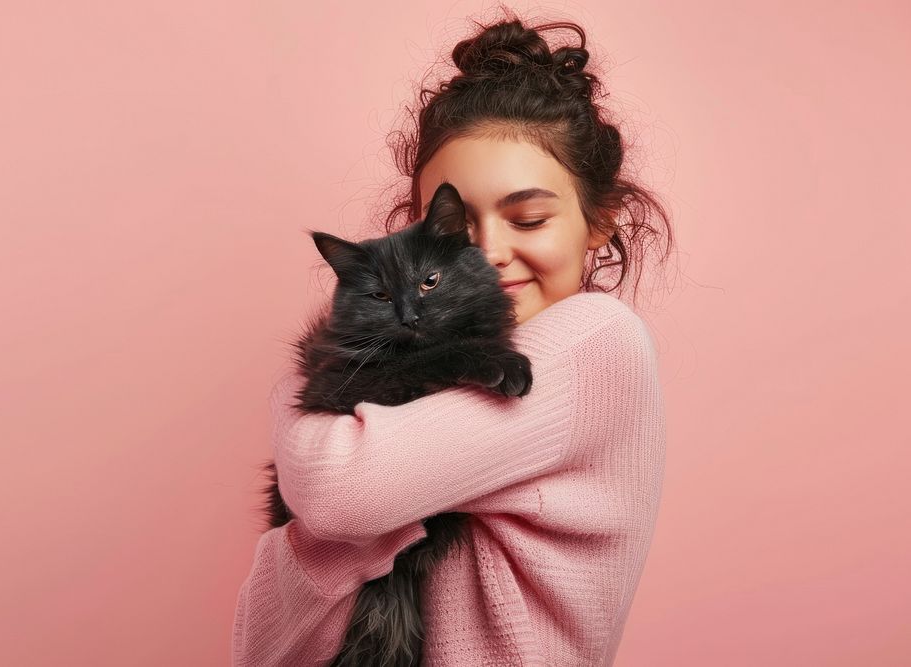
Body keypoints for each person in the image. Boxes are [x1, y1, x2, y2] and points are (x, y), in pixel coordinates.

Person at [232, 11, 674, 666]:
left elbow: (331, 487)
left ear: (600, 222)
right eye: (457, 227)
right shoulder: (419, 338)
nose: (490, 252)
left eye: (527, 216)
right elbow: (261, 637)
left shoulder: (595, 341)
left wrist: (296, 394)